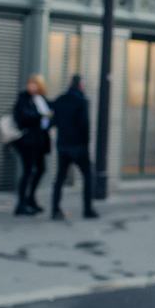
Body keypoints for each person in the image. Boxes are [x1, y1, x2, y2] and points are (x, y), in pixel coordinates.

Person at [50, 75, 98, 220]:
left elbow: (54, 121)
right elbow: (85, 125)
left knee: (60, 178)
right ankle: (87, 209)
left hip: (63, 146)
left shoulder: (60, 100)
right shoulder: (82, 101)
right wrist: (86, 144)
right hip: (79, 147)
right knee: (88, 176)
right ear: (80, 85)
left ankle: (55, 209)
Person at [11, 74, 51, 216]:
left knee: (41, 169)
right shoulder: (23, 98)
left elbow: (50, 117)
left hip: (40, 141)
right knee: (28, 172)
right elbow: (21, 117)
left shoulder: (42, 100)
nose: (32, 86)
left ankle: (31, 198)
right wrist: (40, 116)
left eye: (35, 84)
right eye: (30, 83)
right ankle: (21, 204)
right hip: (27, 141)